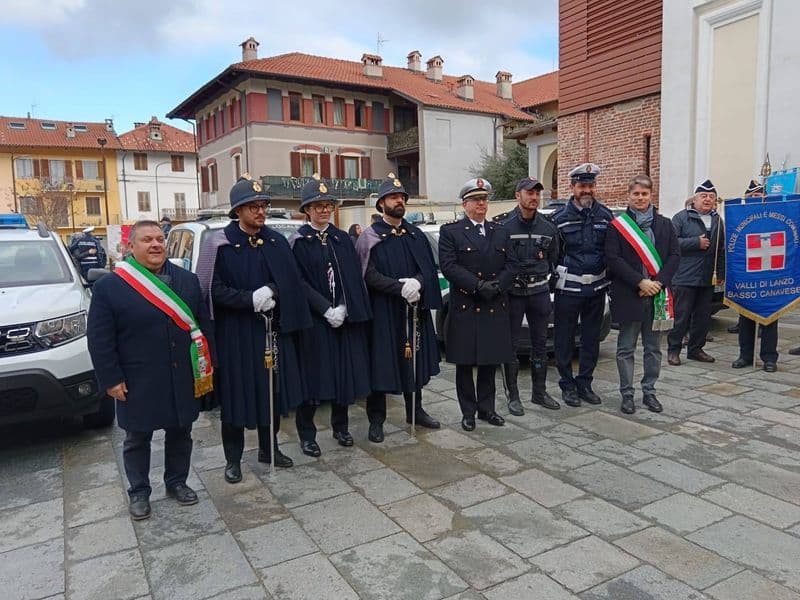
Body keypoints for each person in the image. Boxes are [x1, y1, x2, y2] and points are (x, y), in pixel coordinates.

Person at [87, 220, 213, 520]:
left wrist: (206, 367)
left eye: (160, 239)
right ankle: (140, 492)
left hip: (180, 373)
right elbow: (100, 338)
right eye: (147, 240)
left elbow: (201, 326)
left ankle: (177, 482)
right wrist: (111, 378)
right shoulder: (110, 286)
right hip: (137, 377)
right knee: (137, 438)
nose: (156, 245)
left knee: (181, 431)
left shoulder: (187, 280)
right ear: (131, 247)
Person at [197, 175, 312, 483]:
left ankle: (269, 448)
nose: (261, 212)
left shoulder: (275, 241)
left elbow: (289, 280)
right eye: (253, 207)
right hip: (236, 335)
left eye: (263, 205)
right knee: (235, 398)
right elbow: (211, 290)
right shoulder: (218, 244)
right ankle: (232, 459)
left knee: (271, 393)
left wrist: (272, 291)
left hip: (271, 331)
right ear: (238, 210)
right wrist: (249, 299)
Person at [356, 173, 441, 443]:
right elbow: (367, 274)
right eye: (393, 197)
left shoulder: (414, 234)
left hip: (413, 310)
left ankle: (415, 410)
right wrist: (398, 287)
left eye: (402, 197)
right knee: (380, 364)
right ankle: (376, 420)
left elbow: (427, 267)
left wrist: (417, 282)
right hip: (383, 313)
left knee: (413, 362)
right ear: (381, 204)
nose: (399, 201)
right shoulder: (369, 237)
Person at [289, 177, 371, 455]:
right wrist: (325, 308)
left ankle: (341, 427)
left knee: (342, 376)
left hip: (343, 319)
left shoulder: (341, 239)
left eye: (328, 205)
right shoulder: (299, 242)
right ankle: (307, 434)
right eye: (318, 206)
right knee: (313, 379)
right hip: (315, 321)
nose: (324, 210)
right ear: (307, 210)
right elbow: (298, 282)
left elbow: (353, 277)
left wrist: (346, 307)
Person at [439, 178, 515, 431]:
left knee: (489, 362)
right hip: (467, 306)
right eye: (476, 199)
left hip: (494, 303)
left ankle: (487, 409)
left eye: (484, 199)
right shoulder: (451, 232)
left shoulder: (500, 230)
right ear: (465, 204)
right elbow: (449, 266)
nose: (482, 203)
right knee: (465, 364)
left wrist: (498, 286)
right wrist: (477, 286)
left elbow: (512, 265)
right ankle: (468, 412)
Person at [605, 175, 680, 414]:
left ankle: (649, 392)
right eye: (636, 194)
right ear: (629, 196)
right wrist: (639, 281)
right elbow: (613, 259)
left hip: (657, 295)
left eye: (644, 194)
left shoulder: (665, 225)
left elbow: (674, 256)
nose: (640, 198)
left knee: (653, 348)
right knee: (626, 348)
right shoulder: (617, 226)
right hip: (630, 294)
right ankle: (627, 394)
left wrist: (658, 283)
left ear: (651, 196)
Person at [551, 163, 614, 407]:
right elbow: (552, 255)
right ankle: (567, 385)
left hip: (596, 290)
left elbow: (611, 251)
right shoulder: (559, 219)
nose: (586, 190)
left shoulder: (605, 216)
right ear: (573, 187)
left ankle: (585, 383)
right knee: (564, 340)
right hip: (569, 291)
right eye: (582, 186)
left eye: (590, 185)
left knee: (591, 339)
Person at [496, 177, 560, 415]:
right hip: (513, 294)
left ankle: (539, 392)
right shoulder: (503, 226)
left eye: (537, 193)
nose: (533, 197)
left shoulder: (548, 226)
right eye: (529, 193)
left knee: (541, 344)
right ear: (518, 196)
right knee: (510, 346)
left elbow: (554, 257)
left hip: (540, 293)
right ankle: (513, 396)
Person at [667, 180, 725, 365]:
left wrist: (721, 273)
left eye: (711, 197)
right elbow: (671, 243)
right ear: (695, 199)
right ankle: (674, 350)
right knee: (681, 316)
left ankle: (696, 349)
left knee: (702, 317)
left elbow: (720, 249)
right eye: (703, 196)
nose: (707, 200)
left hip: (708, 276)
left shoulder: (718, 220)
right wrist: (695, 242)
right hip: (684, 276)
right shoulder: (681, 218)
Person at [732, 180, 779, 372]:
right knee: (745, 319)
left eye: (758, 196)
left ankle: (769, 358)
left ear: (764, 198)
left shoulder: (774, 218)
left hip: (770, 275)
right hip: (747, 276)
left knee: (770, 318)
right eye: (751, 196)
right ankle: (745, 355)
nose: (754, 199)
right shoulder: (739, 219)